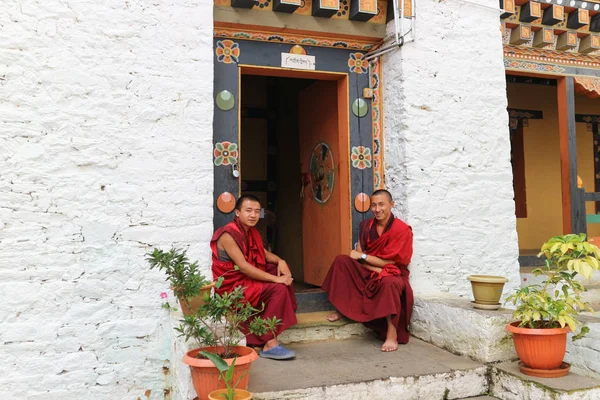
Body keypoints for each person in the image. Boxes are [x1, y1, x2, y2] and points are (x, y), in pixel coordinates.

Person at [322, 189, 413, 352]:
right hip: (371, 269)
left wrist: (364, 258)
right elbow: (357, 254)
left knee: (389, 282)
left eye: (381, 205)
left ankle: (391, 334)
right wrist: (371, 266)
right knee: (342, 261)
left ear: (391, 205)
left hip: (392, 273)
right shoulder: (366, 226)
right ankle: (343, 309)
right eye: (373, 205)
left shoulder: (401, 229)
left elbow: (390, 261)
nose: (377, 209)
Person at [211, 195, 297, 360]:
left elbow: (263, 254)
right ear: (237, 212)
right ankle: (269, 342)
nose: (253, 215)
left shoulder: (252, 232)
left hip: (246, 279)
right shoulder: (228, 234)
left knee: (279, 272)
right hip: (233, 286)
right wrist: (275, 280)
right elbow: (243, 267)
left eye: (257, 211)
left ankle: (262, 336)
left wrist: (281, 261)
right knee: (278, 288)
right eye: (248, 210)